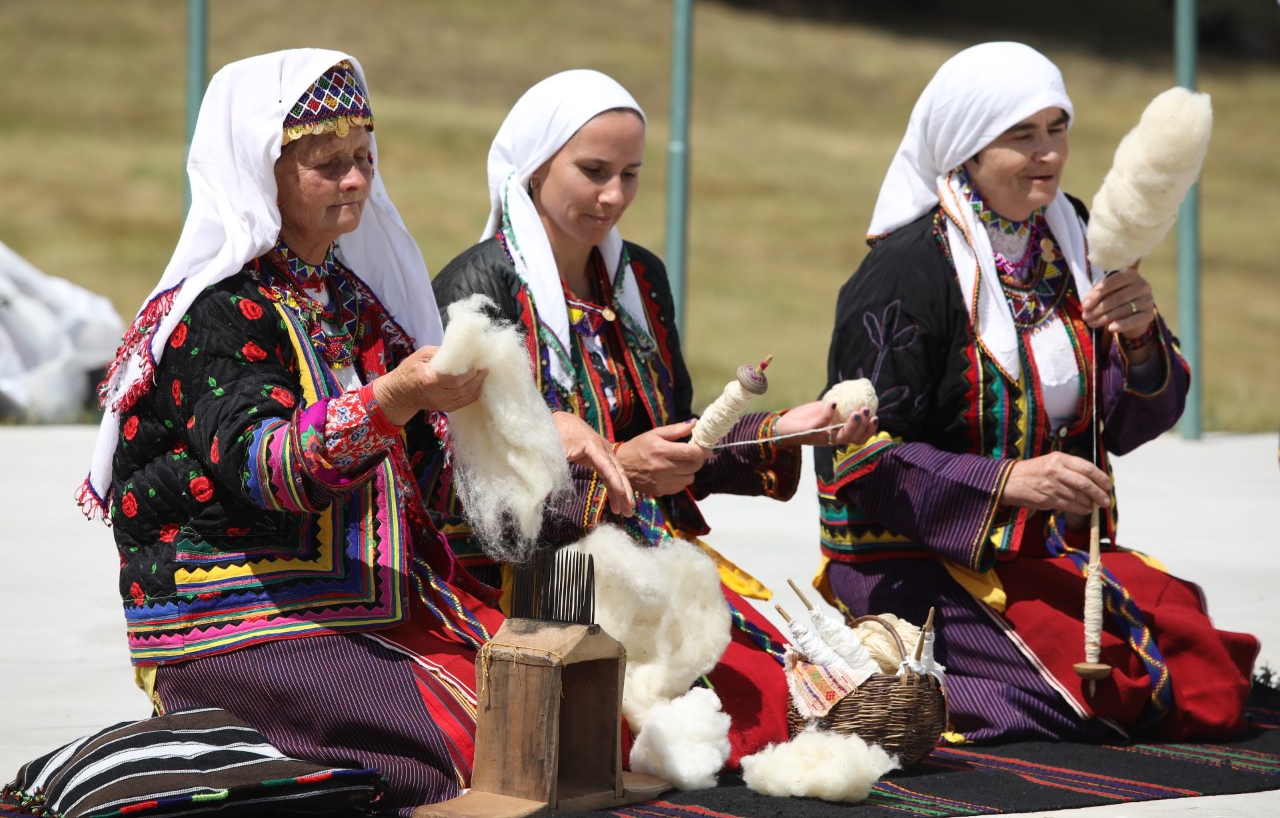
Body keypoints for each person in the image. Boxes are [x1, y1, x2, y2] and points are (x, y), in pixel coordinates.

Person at [76, 50, 629, 816]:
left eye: (363, 157)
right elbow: (266, 467)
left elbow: (434, 477)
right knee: (480, 742)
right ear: (259, 170)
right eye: (327, 163)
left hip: (371, 604)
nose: (357, 180)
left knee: (577, 717)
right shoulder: (211, 313)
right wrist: (391, 397)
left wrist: (551, 454)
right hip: (241, 620)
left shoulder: (349, 298)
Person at [430, 69, 877, 765]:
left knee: (794, 697)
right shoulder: (474, 288)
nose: (614, 196)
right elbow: (468, 486)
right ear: (535, 166)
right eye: (594, 171)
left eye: (631, 174)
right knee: (624, 732)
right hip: (536, 578)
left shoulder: (641, 281)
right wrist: (613, 474)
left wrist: (781, 429)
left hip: (649, 561)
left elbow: (674, 439)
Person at [814, 42, 1257, 743]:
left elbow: (1125, 421)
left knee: (1197, 654)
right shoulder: (907, 271)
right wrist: (1011, 480)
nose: (1049, 153)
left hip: (1046, 552)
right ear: (967, 147)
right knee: (1098, 689)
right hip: (921, 562)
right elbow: (856, 462)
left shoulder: (1070, 238)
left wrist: (1140, 336)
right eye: (1022, 135)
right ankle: (883, 668)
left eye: (1058, 128)